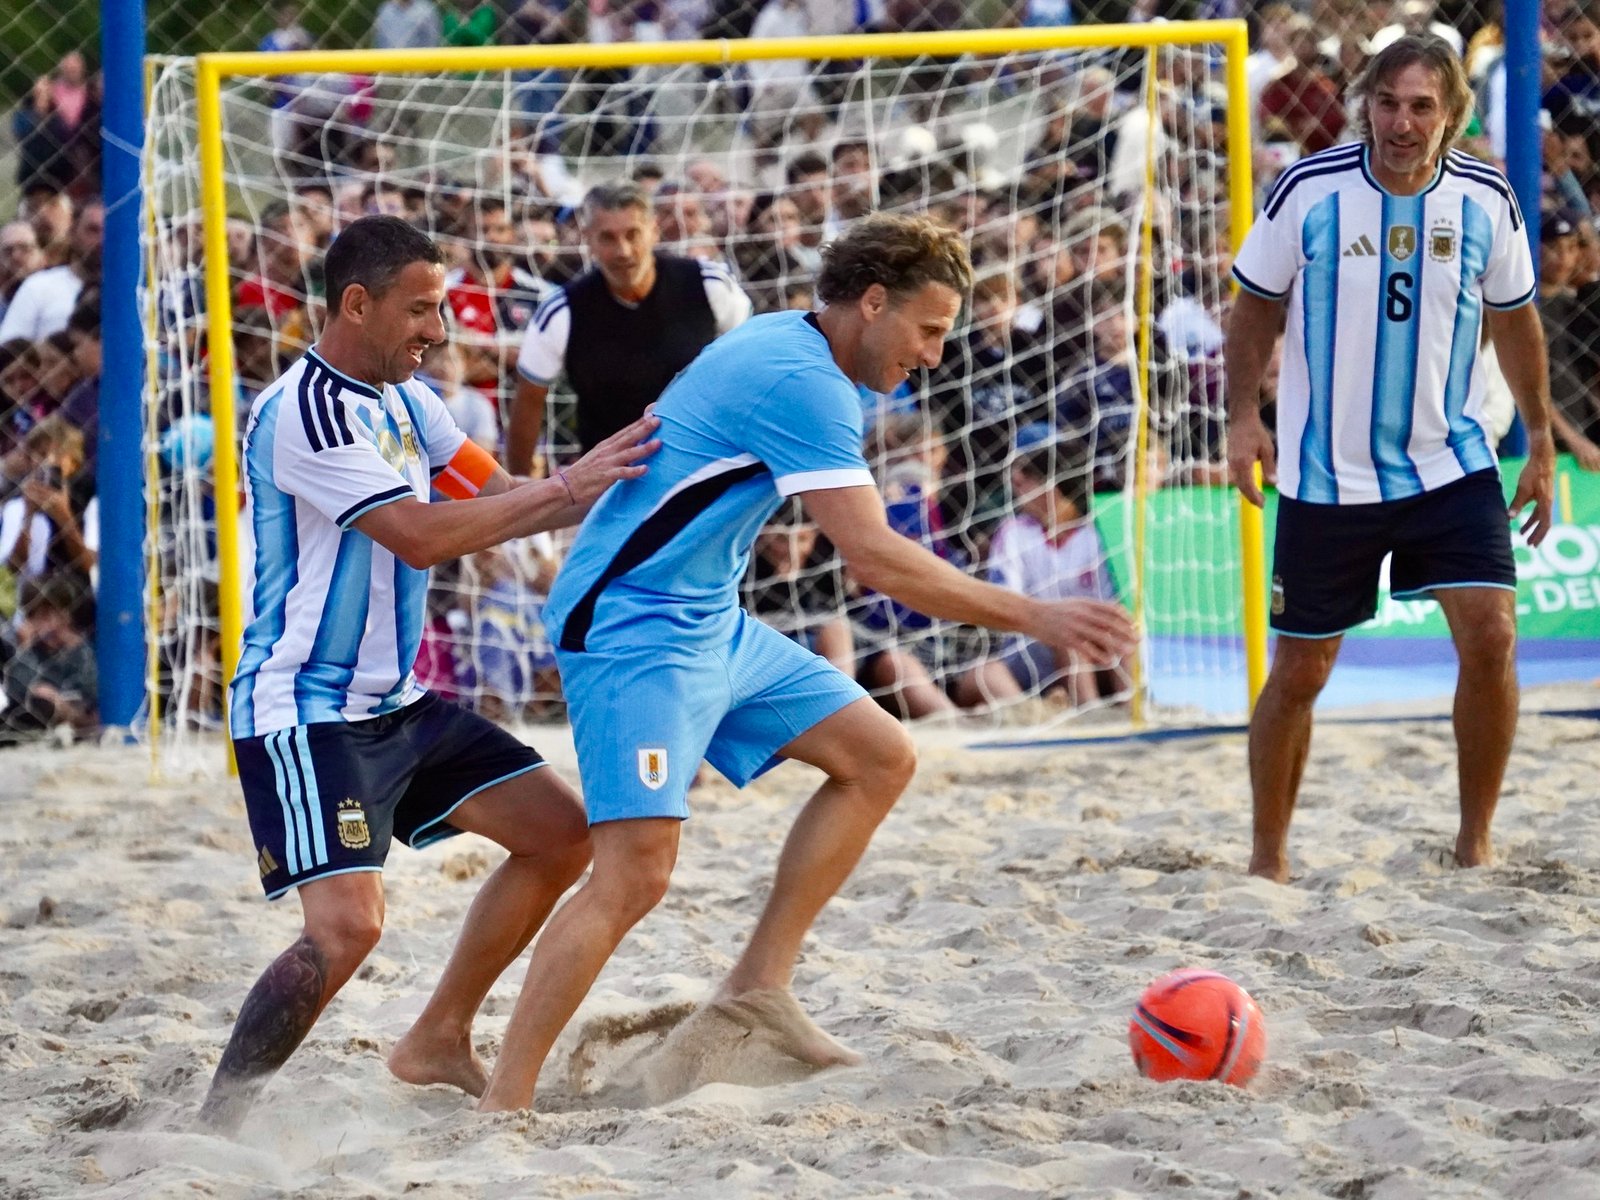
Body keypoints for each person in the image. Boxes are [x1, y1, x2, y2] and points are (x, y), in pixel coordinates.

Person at [474, 213, 1136, 1113]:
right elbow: (876, 559)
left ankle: (756, 987)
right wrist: (1038, 615)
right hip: (632, 627)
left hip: (708, 618)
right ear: (872, 303)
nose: (935, 356)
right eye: (929, 330)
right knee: (635, 872)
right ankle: (505, 1105)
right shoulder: (804, 379)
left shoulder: (789, 337)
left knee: (881, 756)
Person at [196, 215, 661, 1135]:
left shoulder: (408, 400)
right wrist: (570, 485)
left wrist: (625, 490)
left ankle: (440, 1036)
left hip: (397, 700)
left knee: (565, 836)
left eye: (440, 309)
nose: (438, 331)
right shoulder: (303, 410)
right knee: (348, 929)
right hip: (306, 705)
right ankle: (215, 1124)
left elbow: (491, 495)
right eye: (421, 310)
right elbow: (418, 532)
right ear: (356, 304)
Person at [1225, 36, 1556, 884]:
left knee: (1492, 636)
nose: (1400, 123)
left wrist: (1542, 440)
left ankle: (1474, 841)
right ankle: (1268, 860)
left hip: (1449, 461)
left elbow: (1518, 323)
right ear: (1362, 102)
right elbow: (1253, 308)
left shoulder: (1486, 198)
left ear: (1451, 116)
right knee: (1301, 669)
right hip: (1323, 473)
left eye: (1421, 107)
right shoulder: (1309, 190)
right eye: (1387, 103)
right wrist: (1240, 419)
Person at [508, 182, 750, 473]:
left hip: (704, 463)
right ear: (589, 240)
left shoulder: (709, 285)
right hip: (612, 476)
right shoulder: (562, 312)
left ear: (653, 231)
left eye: (633, 234)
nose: (623, 251)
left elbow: (749, 365)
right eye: (608, 238)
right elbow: (528, 400)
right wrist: (520, 484)